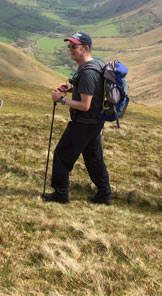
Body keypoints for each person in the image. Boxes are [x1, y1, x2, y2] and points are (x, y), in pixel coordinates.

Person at [43, 33, 112, 205]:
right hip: (94, 123)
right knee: (93, 159)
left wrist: (61, 99)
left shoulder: (88, 73)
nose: (70, 50)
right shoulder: (96, 64)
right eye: (70, 46)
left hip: (84, 123)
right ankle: (104, 195)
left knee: (61, 156)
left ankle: (60, 194)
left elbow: (85, 105)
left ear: (86, 48)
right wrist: (70, 88)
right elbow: (90, 91)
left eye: (74, 47)